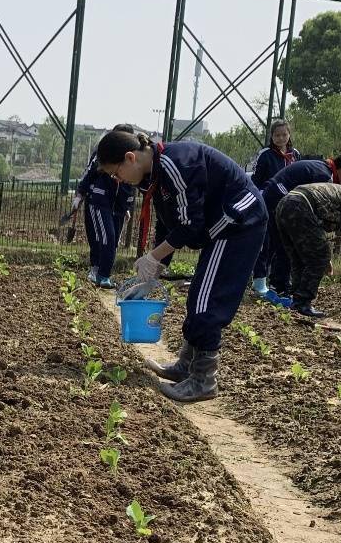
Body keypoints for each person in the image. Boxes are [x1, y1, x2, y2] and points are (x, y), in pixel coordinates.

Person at [97, 126, 266, 403]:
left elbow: (189, 226)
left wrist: (152, 257)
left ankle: (204, 381)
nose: (118, 180)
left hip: (239, 223)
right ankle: (186, 366)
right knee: (198, 295)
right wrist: (157, 268)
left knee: (207, 301)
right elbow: (168, 223)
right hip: (221, 227)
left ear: (130, 158)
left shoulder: (177, 165)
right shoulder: (152, 175)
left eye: (116, 173)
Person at [254, 151, 341, 297]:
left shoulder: (322, 168)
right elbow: (313, 213)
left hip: (279, 198)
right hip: (278, 198)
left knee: (283, 244)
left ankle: (278, 286)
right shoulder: (324, 176)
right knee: (283, 245)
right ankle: (278, 287)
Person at [273, 183, 341, 320]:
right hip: (301, 206)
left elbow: (317, 228)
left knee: (299, 258)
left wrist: (326, 256)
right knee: (318, 258)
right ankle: (303, 302)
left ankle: (297, 300)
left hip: (285, 204)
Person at [70, 136, 135, 287]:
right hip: (100, 200)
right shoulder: (104, 155)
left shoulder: (131, 165)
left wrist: (127, 207)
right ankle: (100, 272)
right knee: (105, 238)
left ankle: (103, 274)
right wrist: (80, 194)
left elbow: (130, 187)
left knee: (113, 241)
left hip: (118, 206)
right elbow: (89, 173)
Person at [249, 118, 299, 187]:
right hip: (269, 194)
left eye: (284, 135)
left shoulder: (295, 153)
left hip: (291, 194)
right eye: (277, 135)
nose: (281, 138)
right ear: (272, 136)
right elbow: (255, 181)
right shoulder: (265, 154)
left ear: (289, 135)